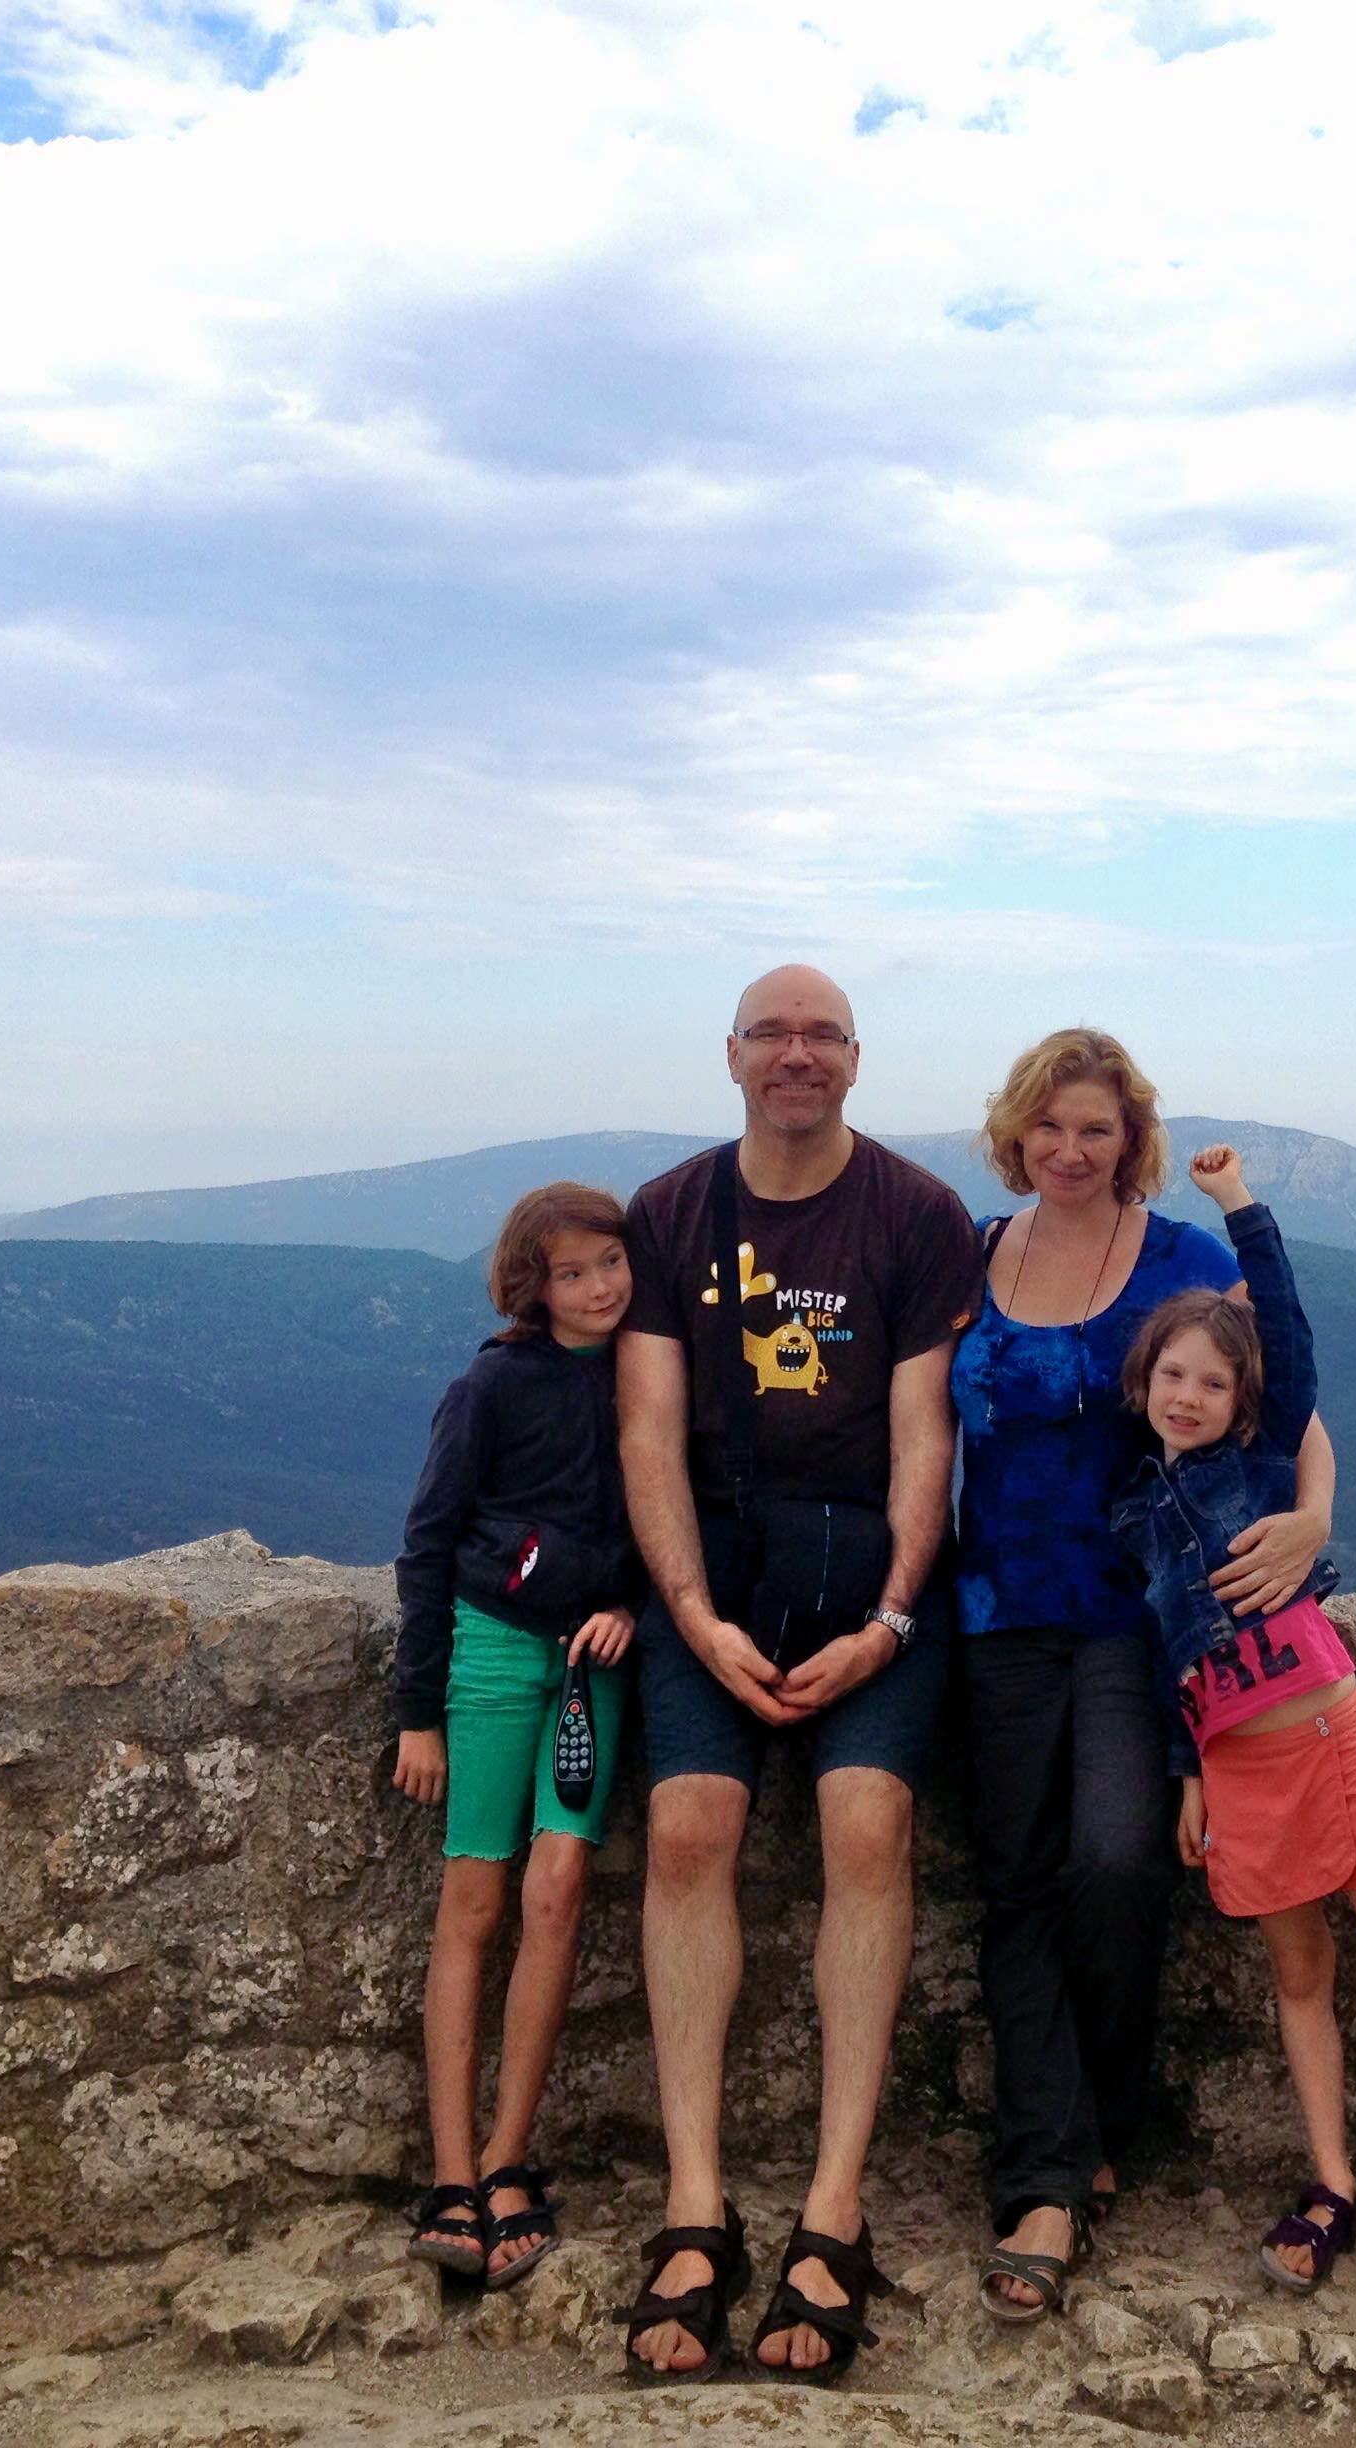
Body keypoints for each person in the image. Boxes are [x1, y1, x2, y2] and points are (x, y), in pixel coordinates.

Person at [612, 964, 981, 2384]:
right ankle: (695, 2201)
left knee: (866, 1825)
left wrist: (890, 1615)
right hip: (712, 1558)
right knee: (694, 1827)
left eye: (821, 1034)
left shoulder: (913, 1215)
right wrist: (693, 1616)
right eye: (772, 1033)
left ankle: (836, 2205)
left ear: (857, 1060)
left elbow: (922, 1437)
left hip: (866, 1569)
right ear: (730, 1057)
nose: (796, 1054)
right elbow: (647, 1432)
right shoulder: (670, 1215)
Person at [953, 1032, 1335, 2322]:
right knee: (1015, 1885)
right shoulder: (978, 1256)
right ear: (1019, 1131)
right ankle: (1047, 2175)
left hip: (1130, 1621)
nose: (1070, 1148)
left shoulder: (1178, 1260)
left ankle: (1102, 2111)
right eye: (1050, 1126)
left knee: (1118, 1861)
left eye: (1097, 1130)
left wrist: (1310, 1523)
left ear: (1133, 1143)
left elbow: (1285, 1397)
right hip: (996, 1610)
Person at [1114, 1146, 1356, 2295]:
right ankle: (1334, 2183)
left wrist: (1237, 1206)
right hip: (1244, 1770)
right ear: (1143, 1383)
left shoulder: (1264, 1470)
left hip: (1335, 1743)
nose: (1189, 1396)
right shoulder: (1135, 1516)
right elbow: (1171, 1659)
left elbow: (1288, 1330)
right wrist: (1189, 1777)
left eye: (1213, 1384)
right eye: (1172, 1376)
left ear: (1241, 1400)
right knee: (1302, 1974)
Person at [387, 1181, 646, 2291]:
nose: (598, 1289)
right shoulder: (490, 1385)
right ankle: (451, 2171)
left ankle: (508, 2160)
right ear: (530, 1286)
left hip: (598, 1663)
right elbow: (430, 1540)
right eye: (572, 1273)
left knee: (556, 1891)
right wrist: (417, 1712)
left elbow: (674, 1510)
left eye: (610, 1265)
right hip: (493, 1652)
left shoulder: (655, 1373)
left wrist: (631, 1598)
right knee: (476, 1895)